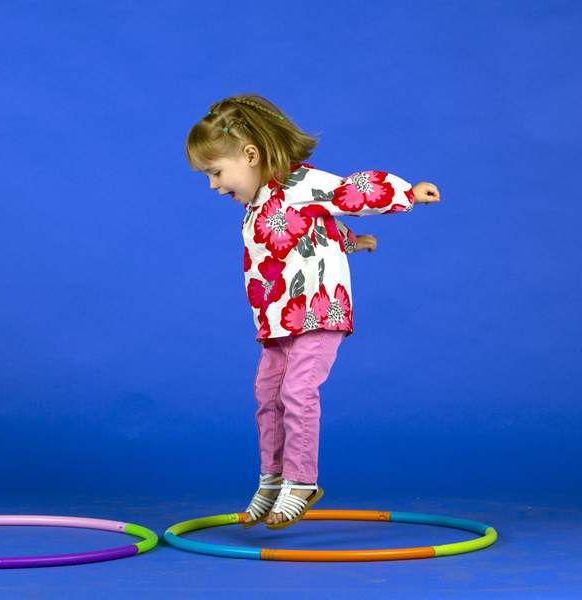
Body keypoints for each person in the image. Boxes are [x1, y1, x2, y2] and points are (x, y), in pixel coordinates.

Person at [184, 95, 440, 530]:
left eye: (216, 172)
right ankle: (273, 478)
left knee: (298, 392)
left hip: (318, 313)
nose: (212, 185)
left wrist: (407, 193)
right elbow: (307, 232)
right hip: (278, 320)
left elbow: (348, 192)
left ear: (250, 155)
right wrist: (350, 241)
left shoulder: (299, 183)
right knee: (267, 397)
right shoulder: (257, 204)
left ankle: (301, 481)